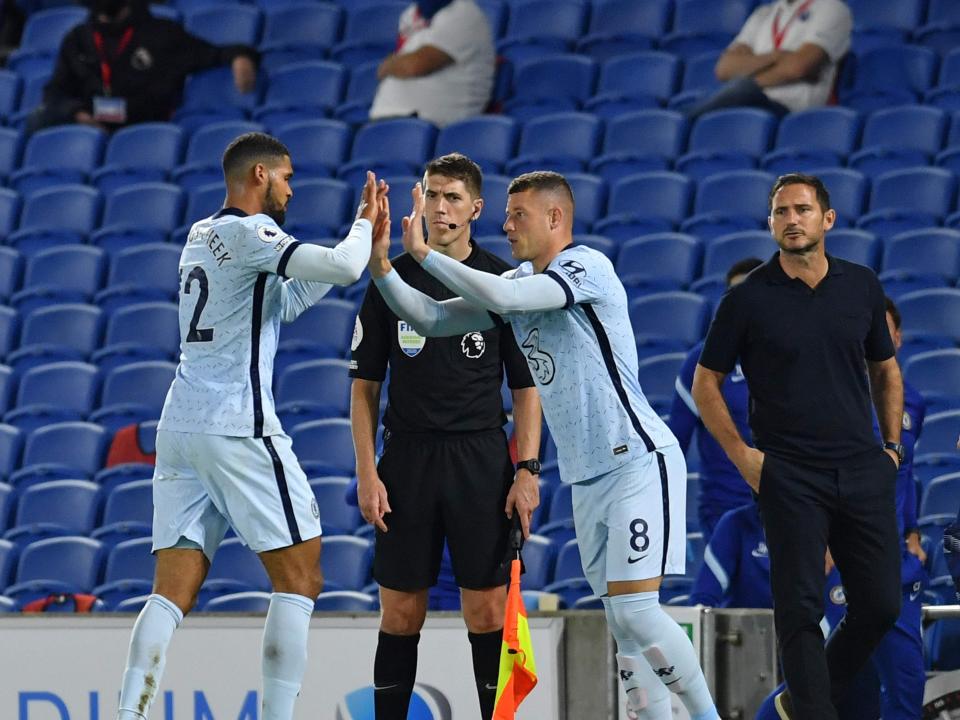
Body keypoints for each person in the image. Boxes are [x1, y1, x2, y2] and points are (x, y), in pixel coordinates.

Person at [368, 171, 720, 720]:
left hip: (637, 462)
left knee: (638, 612)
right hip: (586, 476)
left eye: (518, 215)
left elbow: (506, 294)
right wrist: (385, 267)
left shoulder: (585, 267)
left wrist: (428, 256)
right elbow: (433, 318)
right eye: (505, 215)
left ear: (555, 218)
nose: (506, 225)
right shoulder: (520, 282)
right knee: (623, 627)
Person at [113, 133, 387, 720]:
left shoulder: (201, 235)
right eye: (287, 177)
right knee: (303, 575)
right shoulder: (251, 231)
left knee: (170, 590)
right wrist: (364, 227)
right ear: (260, 174)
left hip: (180, 425)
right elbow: (339, 268)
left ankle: (128, 714)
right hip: (237, 422)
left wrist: (353, 250)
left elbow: (281, 303)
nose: (292, 189)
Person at [691, 173, 904, 720]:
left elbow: (886, 370)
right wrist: (745, 459)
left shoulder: (861, 284)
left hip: (862, 469)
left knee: (881, 604)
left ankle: (801, 700)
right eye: (781, 211)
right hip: (789, 474)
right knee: (799, 609)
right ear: (771, 223)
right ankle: (813, 712)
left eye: (802, 210)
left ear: (826, 219)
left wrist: (892, 450)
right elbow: (705, 383)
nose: (791, 219)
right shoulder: (747, 299)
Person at [348, 153, 541, 720]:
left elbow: (528, 390)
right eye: (432, 195)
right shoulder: (391, 278)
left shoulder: (502, 282)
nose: (440, 207)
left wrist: (526, 471)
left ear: (476, 208)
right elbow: (364, 387)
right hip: (406, 459)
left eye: (453, 197)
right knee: (401, 614)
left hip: (480, 458)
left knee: (486, 612)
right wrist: (367, 470)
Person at [30, 0, 257, 132]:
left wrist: (240, 57)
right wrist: (79, 114)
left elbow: (209, 53)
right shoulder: (78, 39)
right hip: (91, 125)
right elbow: (54, 92)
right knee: (37, 121)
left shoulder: (160, 33)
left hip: (144, 125)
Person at [669, 257, 763, 543]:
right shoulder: (701, 363)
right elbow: (675, 447)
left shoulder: (801, 355)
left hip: (793, 504)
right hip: (724, 510)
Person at [685, 0, 852, 119]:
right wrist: (778, 56)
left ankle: (684, 120)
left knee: (741, 87)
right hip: (750, 100)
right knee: (736, 90)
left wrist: (751, 76)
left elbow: (798, 67)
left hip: (792, 109)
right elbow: (724, 68)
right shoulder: (764, 13)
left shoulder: (831, 8)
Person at [369, 0, 494, 127]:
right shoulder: (416, 15)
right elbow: (392, 66)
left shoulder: (463, 13)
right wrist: (395, 64)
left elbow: (415, 66)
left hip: (434, 126)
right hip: (391, 122)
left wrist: (390, 65)